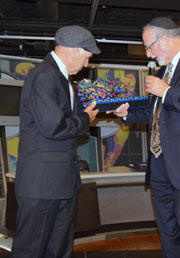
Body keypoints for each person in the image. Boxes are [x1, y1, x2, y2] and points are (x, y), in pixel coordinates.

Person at [108, 17, 180, 258]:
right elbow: (156, 114)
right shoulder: (164, 71)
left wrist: (167, 91)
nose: (148, 54)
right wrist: (127, 114)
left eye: (149, 47)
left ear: (164, 39)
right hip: (160, 163)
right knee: (168, 229)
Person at [11, 25, 100, 258]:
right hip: (42, 184)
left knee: (59, 249)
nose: (86, 64)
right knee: (31, 250)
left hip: (61, 182)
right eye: (86, 57)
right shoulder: (44, 77)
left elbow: (79, 115)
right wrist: (85, 119)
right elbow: (55, 127)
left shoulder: (63, 80)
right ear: (73, 50)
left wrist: (99, 112)